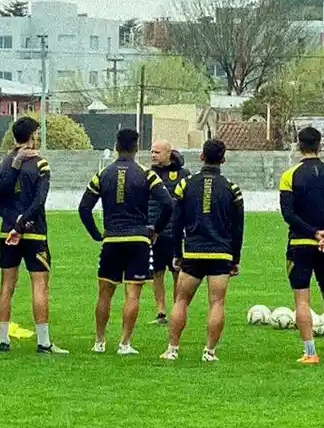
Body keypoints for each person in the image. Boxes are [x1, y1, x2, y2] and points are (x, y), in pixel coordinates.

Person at [80, 127, 174, 355]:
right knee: (133, 293)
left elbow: (84, 208)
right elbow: (168, 204)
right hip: (138, 240)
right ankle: (124, 343)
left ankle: (99, 342)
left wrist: (96, 233)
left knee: (105, 292)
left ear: (116, 147)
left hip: (112, 239)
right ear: (136, 148)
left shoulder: (103, 175)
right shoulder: (146, 174)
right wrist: (156, 229)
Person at [161, 139, 243, 362]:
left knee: (181, 300)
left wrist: (177, 253)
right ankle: (209, 351)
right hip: (221, 253)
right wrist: (235, 258)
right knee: (217, 302)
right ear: (223, 160)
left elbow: (176, 223)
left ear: (201, 156)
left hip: (194, 252)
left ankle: (173, 349)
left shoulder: (185, 185)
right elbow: (238, 228)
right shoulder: (232, 188)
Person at [0, 116, 67, 354]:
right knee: (40, 285)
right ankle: (43, 342)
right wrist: (23, 222)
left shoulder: (4, 163)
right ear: (33, 135)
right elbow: (39, 200)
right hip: (33, 232)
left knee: (7, 285)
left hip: (8, 233)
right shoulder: (40, 164)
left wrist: (13, 222)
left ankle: (4, 340)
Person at [278, 125, 324, 365]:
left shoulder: (290, 175)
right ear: (321, 145)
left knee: (302, 300)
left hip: (300, 244)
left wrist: (313, 232)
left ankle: (310, 352)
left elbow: (288, 214)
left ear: (299, 145)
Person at [146, 140, 189, 326]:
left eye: (157, 152)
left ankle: (176, 309)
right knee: (157, 273)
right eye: (152, 152)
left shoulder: (183, 174)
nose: (153, 155)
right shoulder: (149, 174)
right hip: (154, 232)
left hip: (175, 233)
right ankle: (161, 312)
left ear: (168, 153)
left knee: (177, 272)